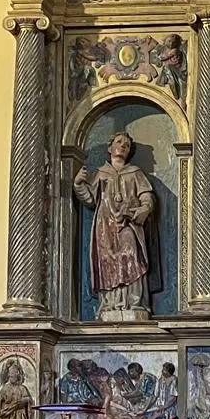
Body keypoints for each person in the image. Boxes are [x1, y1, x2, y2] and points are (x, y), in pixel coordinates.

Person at [74, 131, 157, 320]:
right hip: (105, 224)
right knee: (107, 261)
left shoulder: (135, 173)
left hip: (129, 222)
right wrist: (79, 183)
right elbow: (89, 198)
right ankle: (110, 304)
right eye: (119, 142)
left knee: (132, 256)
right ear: (110, 147)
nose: (122, 146)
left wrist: (143, 208)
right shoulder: (101, 174)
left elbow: (147, 196)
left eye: (126, 145)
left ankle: (134, 302)